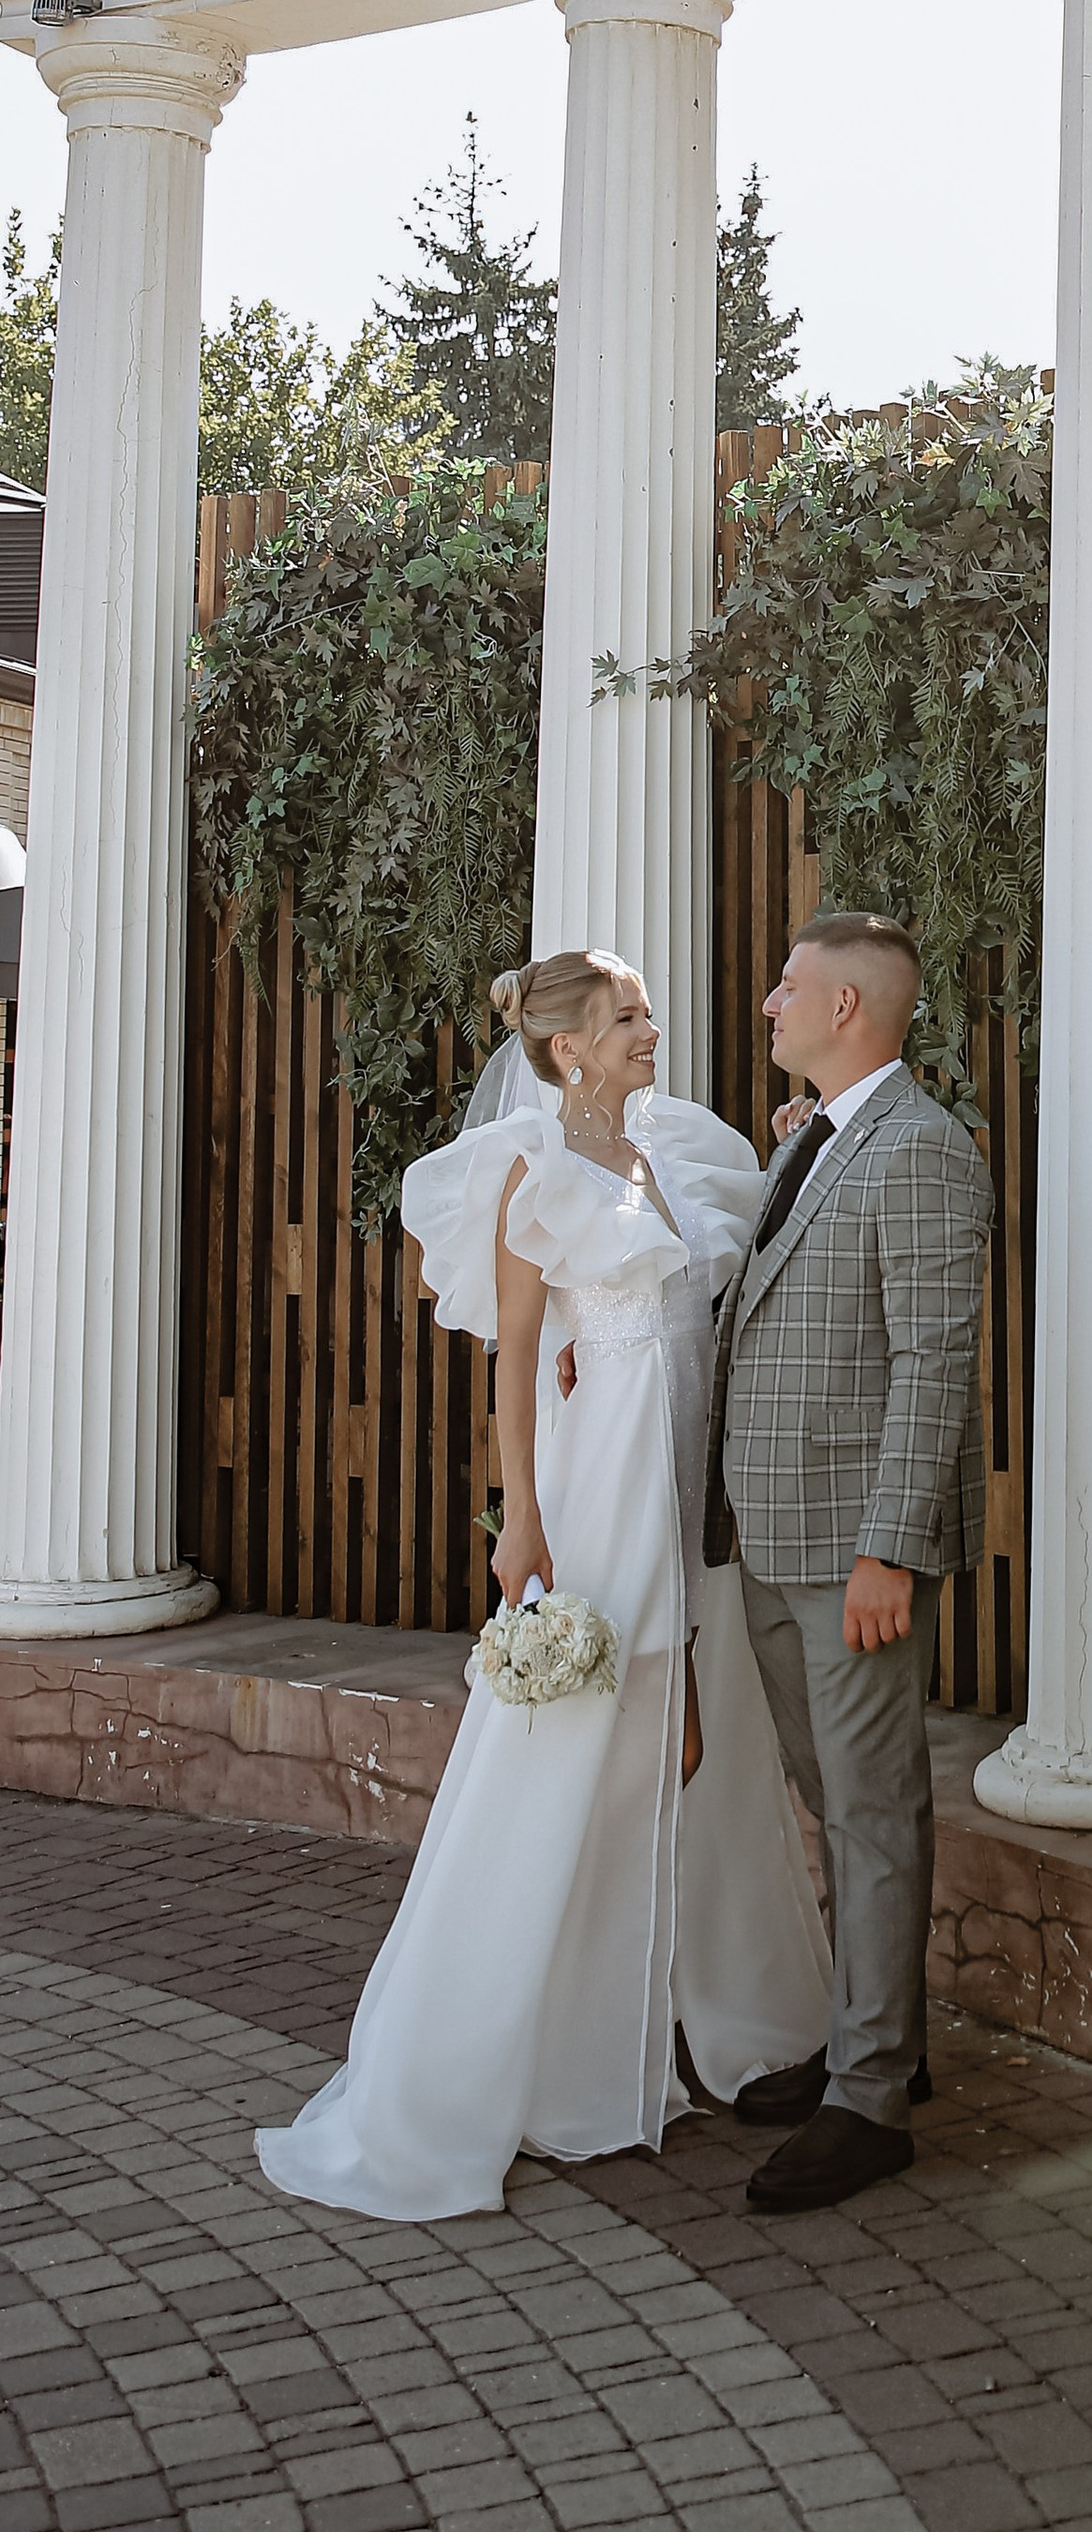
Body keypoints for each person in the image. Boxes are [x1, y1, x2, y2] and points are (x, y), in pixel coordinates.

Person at [255, 950, 833, 2221]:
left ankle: (703, 2020)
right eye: (628, 1016)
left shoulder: (672, 1149)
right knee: (576, 1752)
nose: (651, 1028)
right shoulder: (535, 1169)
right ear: (569, 1046)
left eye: (643, 1011)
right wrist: (522, 1517)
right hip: (602, 1489)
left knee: (694, 1747)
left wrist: (796, 1144)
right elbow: (518, 1356)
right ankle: (486, 2065)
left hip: (691, 1493)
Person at [705, 909, 991, 2215]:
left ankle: (871, 2100)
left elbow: (935, 1365)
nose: (768, 1003)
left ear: (845, 1012)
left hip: (850, 1551)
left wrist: (891, 1549)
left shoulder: (924, 1152)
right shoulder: (817, 1142)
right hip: (770, 1536)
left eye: (787, 985)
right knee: (837, 1797)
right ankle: (881, 2041)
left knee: (873, 1810)